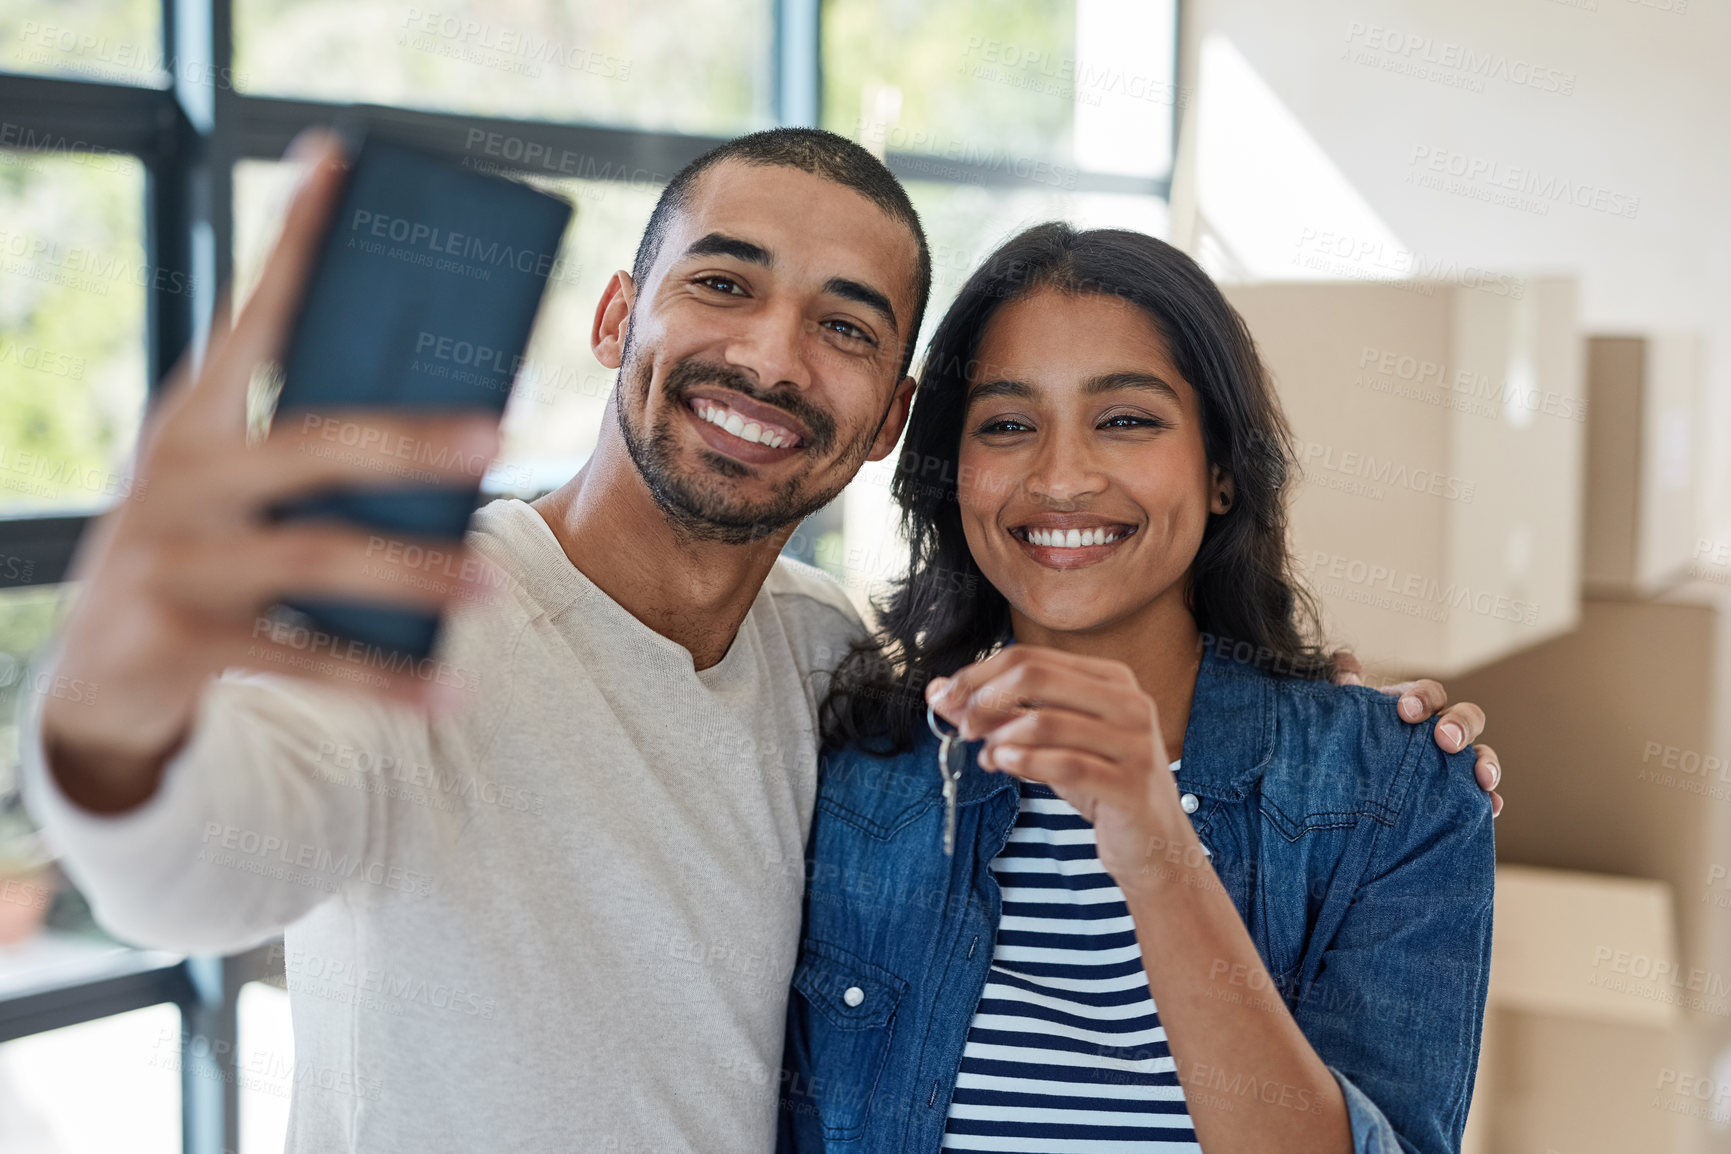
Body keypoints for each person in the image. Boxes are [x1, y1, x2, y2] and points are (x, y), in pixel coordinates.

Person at [16, 128, 1494, 1153]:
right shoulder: (423, 605)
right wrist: (122, 673)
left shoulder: (832, 675)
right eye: (721, 283)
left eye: (847, 327)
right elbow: (207, 859)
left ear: (884, 418)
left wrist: (1329, 733)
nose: (772, 358)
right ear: (616, 316)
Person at [780, 224, 1496, 1154]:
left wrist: (1151, 838)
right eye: (1006, 424)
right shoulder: (852, 767)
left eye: (1125, 420)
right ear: (951, 476)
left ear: (1223, 473)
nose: (1062, 477)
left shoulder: (1397, 790)